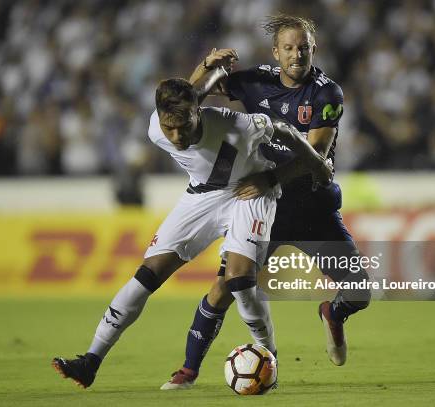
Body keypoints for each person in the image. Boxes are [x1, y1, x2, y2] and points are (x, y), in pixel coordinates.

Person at [52, 68, 333, 389]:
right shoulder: (156, 130)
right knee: (146, 275)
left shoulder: (238, 125)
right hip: (202, 196)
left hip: (250, 190)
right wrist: (203, 70)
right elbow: (187, 91)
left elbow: (287, 133)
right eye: (169, 127)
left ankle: (269, 356)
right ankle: (91, 360)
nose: (176, 136)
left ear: (198, 112)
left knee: (239, 280)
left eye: (183, 125)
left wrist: (317, 164)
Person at [162, 14, 371, 390]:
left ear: (313, 49)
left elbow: (316, 154)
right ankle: (188, 370)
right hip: (263, 207)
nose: (296, 55)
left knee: (359, 290)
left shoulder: (327, 93)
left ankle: (331, 312)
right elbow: (189, 99)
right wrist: (206, 66)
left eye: (303, 48)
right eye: (289, 48)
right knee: (225, 285)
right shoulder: (257, 81)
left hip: (311, 207)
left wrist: (271, 177)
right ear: (276, 52)